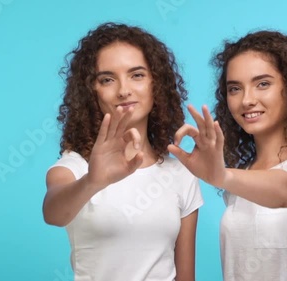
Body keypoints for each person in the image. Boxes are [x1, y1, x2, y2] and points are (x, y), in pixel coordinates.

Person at [168, 30, 287, 281]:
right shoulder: (241, 180)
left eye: (263, 84)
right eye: (235, 88)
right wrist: (224, 177)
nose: (247, 100)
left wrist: (221, 175)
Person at [42, 22, 203, 281]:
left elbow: (185, 277)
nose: (124, 90)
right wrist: (93, 182)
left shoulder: (181, 174)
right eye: (107, 79)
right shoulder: (74, 168)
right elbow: (54, 213)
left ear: (156, 84)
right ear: (91, 92)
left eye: (137, 75)